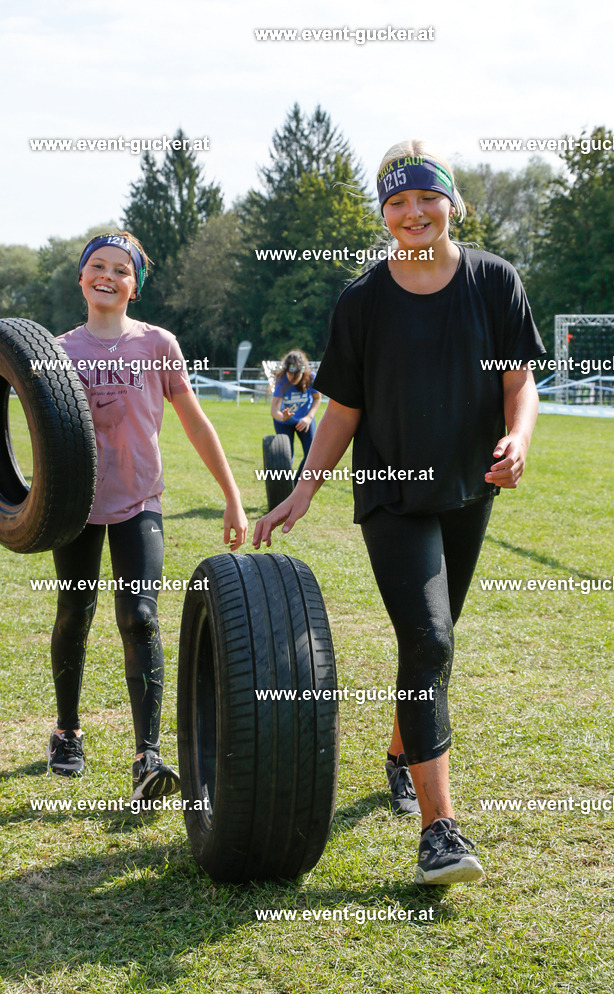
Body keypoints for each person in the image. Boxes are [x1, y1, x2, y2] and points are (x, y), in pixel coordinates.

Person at [254, 141, 545, 885]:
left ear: (451, 203)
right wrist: (306, 487)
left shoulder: (494, 282)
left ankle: (399, 753)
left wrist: (517, 436)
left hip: (467, 488)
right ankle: (439, 832)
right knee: (430, 637)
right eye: (395, 203)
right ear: (382, 214)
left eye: (424, 198)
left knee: (430, 649)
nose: (411, 214)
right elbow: (343, 407)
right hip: (389, 490)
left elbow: (520, 380)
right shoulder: (361, 301)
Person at [47, 231, 248, 802]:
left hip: (141, 502)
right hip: (75, 505)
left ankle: (147, 757)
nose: (107, 276)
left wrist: (232, 497)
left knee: (139, 616)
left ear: (134, 286)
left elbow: (196, 422)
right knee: (74, 613)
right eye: (97, 266)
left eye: (121, 270)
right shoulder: (57, 351)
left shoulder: (158, 344)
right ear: (81, 277)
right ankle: (67, 731)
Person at [270, 350, 321, 479]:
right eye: (289, 373)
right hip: (284, 422)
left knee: (311, 456)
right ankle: (285, 487)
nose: (291, 377)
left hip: (305, 421)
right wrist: (282, 416)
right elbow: (274, 409)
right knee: (286, 458)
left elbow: (317, 398)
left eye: (295, 374)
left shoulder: (311, 378)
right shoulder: (282, 381)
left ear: (302, 371)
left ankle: (296, 484)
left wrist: (309, 417)